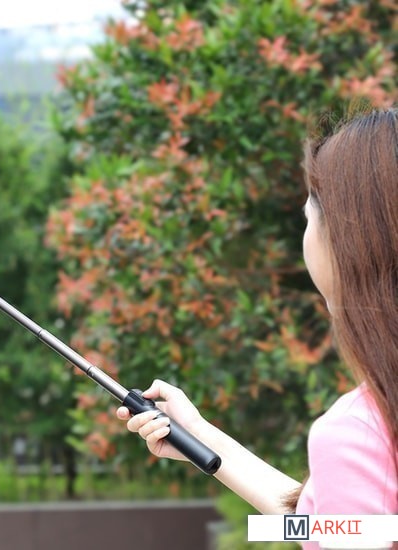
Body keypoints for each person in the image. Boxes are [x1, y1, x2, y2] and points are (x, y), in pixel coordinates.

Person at [116, 108, 398, 547]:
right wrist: (199, 436)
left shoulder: (358, 432)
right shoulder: (364, 432)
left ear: (350, 239)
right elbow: (329, 525)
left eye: (309, 216)